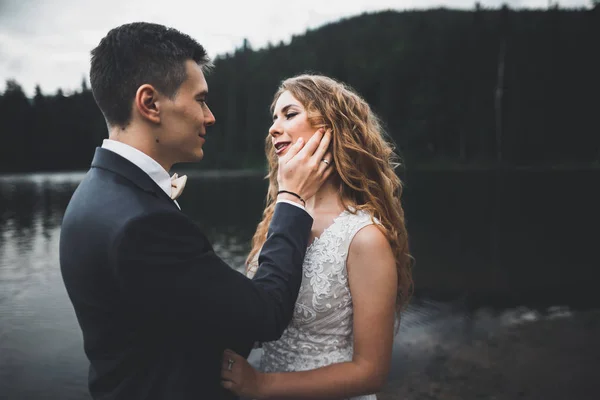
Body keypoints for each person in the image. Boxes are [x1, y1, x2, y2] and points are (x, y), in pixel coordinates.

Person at [59, 23, 333, 400]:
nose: (210, 116)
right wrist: (292, 197)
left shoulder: (92, 195)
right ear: (150, 103)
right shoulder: (143, 223)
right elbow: (266, 314)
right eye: (200, 100)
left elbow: (184, 315)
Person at [220, 75, 413, 399]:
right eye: (274, 118)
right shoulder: (279, 219)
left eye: (289, 114)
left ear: (330, 127)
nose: (273, 128)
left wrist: (260, 385)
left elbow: (370, 372)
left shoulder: (364, 237)